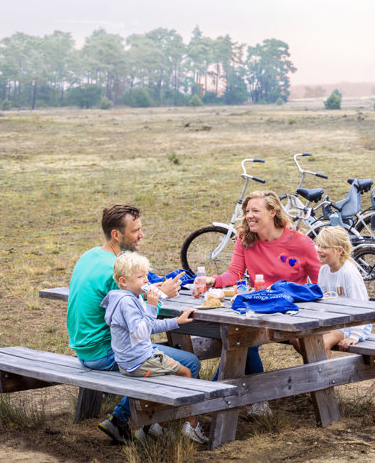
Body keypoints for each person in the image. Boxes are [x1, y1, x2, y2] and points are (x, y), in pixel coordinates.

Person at [66, 204, 199, 444]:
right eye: (135, 230)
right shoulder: (111, 270)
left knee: (156, 354)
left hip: (83, 347)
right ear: (116, 234)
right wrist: (162, 297)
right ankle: (136, 423)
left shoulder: (92, 256)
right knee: (189, 362)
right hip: (104, 351)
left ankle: (148, 422)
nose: (141, 235)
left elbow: (128, 299)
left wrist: (153, 288)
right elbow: (138, 319)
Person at [206, 190, 321, 416]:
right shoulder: (245, 239)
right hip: (258, 309)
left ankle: (211, 396)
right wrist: (213, 280)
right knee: (239, 337)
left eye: (255, 211)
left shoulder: (301, 243)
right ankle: (246, 400)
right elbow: (235, 274)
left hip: (291, 313)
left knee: (241, 339)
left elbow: (319, 286)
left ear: (272, 212)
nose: (249, 216)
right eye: (247, 211)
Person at [102, 251, 207, 443]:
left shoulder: (129, 298)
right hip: (138, 362)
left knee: (176, 376)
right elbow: (141, 332)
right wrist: (152, 305)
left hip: (135, 359)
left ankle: (157, 427)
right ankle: (189, 427)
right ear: (123, 281)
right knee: (184, 374)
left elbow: (148, 326)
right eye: (140, 277)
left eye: (146, 275)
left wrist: (177, 321)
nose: (146, 281)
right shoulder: (127, 303)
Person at [311, 226, 372, 351]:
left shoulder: (348, 273)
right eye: (318, 245)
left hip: (355, 323)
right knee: (300, 340)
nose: (319, 250)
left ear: (339, 250)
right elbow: (323, 299)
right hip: (335, 320)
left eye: (325, 247)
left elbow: (361, 306)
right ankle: (316, 369)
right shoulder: (324, 270)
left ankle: (323, 370)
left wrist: (354, 335)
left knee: (320, 345)